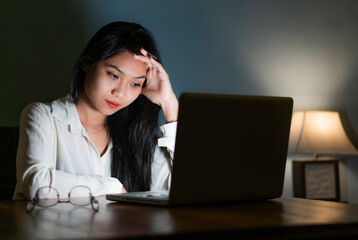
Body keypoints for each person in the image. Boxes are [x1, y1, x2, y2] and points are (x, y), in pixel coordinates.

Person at [13, 21, 178, 200]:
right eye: (114, 75)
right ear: (88, 62)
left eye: (135, 84)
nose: (120, 93)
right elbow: (37, 185)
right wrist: (111, 186)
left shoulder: (137, 138)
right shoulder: (43, 117)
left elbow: (182, 189)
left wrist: (170, 105)